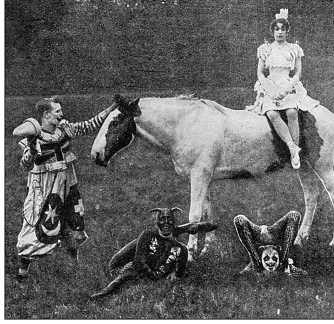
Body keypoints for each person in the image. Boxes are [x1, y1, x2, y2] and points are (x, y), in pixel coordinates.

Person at [12, 95, 121, 280]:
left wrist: (111, 108)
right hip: (44, 184)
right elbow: (25, 165)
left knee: (72, 216)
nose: (61, 114)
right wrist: (31, 151)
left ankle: (74, 264)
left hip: (67, 179)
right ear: (46, 114)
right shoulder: (34, 137)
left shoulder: (64, 128)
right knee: (37, 218)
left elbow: (88, 125)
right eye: (57, 111)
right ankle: (23, 269)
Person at [90, 207, 218, 299]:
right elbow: (138, 264)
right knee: (139, 262)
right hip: (123, 266)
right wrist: (105, 292)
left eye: (170, 220)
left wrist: (198, 226)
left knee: (173, 248)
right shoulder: (147, 236)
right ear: (156, 222)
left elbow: (210, 225)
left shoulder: (180, 247)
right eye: (162, 219)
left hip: (150, 263)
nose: (166, 223)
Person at [246, 8, 319, 169]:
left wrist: (286, 89)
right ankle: (292, 146)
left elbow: (298, 72)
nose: (279, 32)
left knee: (292, 112)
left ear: (287, 31)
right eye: (276, 29)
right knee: (272, 113)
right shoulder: (265, 49)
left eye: (282, 29)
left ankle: (295, 153)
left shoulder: (294, 49)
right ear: (272, 31)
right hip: (270, 84)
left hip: (288, 83)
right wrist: (270, 90)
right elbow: (260, 72)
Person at [233, 210, 308, 276]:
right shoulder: (286, 266)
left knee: (239, 219)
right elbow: (304, 274)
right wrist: (285, 258)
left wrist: (255, 259)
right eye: (274, 258)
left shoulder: (253, 266)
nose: (271, 262)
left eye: (266, 258)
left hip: (258, 237)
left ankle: (254, 258)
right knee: (294, 214)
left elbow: (241, 275)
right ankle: (284, 258)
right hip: (275, 236)